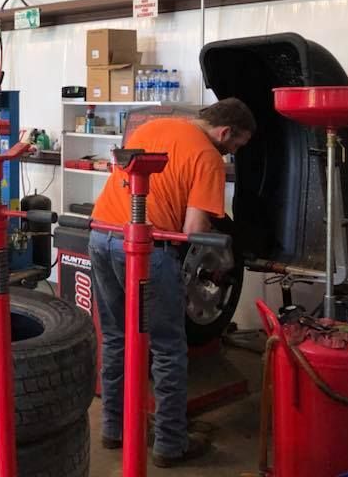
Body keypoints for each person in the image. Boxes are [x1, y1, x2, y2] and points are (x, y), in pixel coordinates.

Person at [89, 98, 255, 467]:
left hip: (100, 235)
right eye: (237, 145)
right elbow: (193, 232)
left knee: (116, 337)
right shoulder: (209, 157)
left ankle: (113, 428)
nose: (233, 152)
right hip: (147, 247)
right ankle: (169, 443)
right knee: (167, 348)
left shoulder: (150, 128)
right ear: (225, 132)